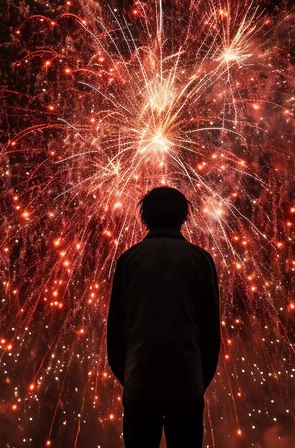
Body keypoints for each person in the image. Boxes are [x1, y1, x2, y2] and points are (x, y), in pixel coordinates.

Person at [107, 186, 221, 448]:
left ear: (145, 217)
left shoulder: (129, 260)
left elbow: (115, 334)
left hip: (140, 383)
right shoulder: (201, 260)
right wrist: (196, 381)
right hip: (186, 383)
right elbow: (210, 333)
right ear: (183, 217)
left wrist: (130, 378)